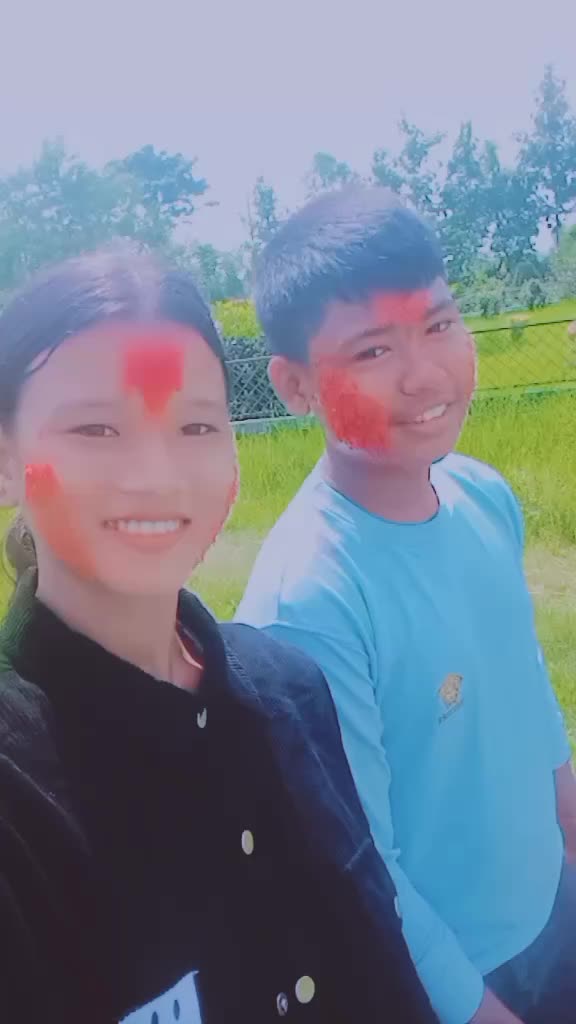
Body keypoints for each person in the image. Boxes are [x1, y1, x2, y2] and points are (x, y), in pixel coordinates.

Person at [0, 245, 437, 1024]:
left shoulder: (292, 687)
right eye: (97, 428)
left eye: (197, 424)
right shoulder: (18, 799)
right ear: (7, 461)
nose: (157, 476)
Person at [236, 186, 576, 1024]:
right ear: (294, 385)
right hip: (456, 982)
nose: (424, 372)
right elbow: (360, 867)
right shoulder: (308, 601)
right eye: (374, 350)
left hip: (555, 907)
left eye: (439, 324)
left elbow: (531, 703)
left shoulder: (482, 495)